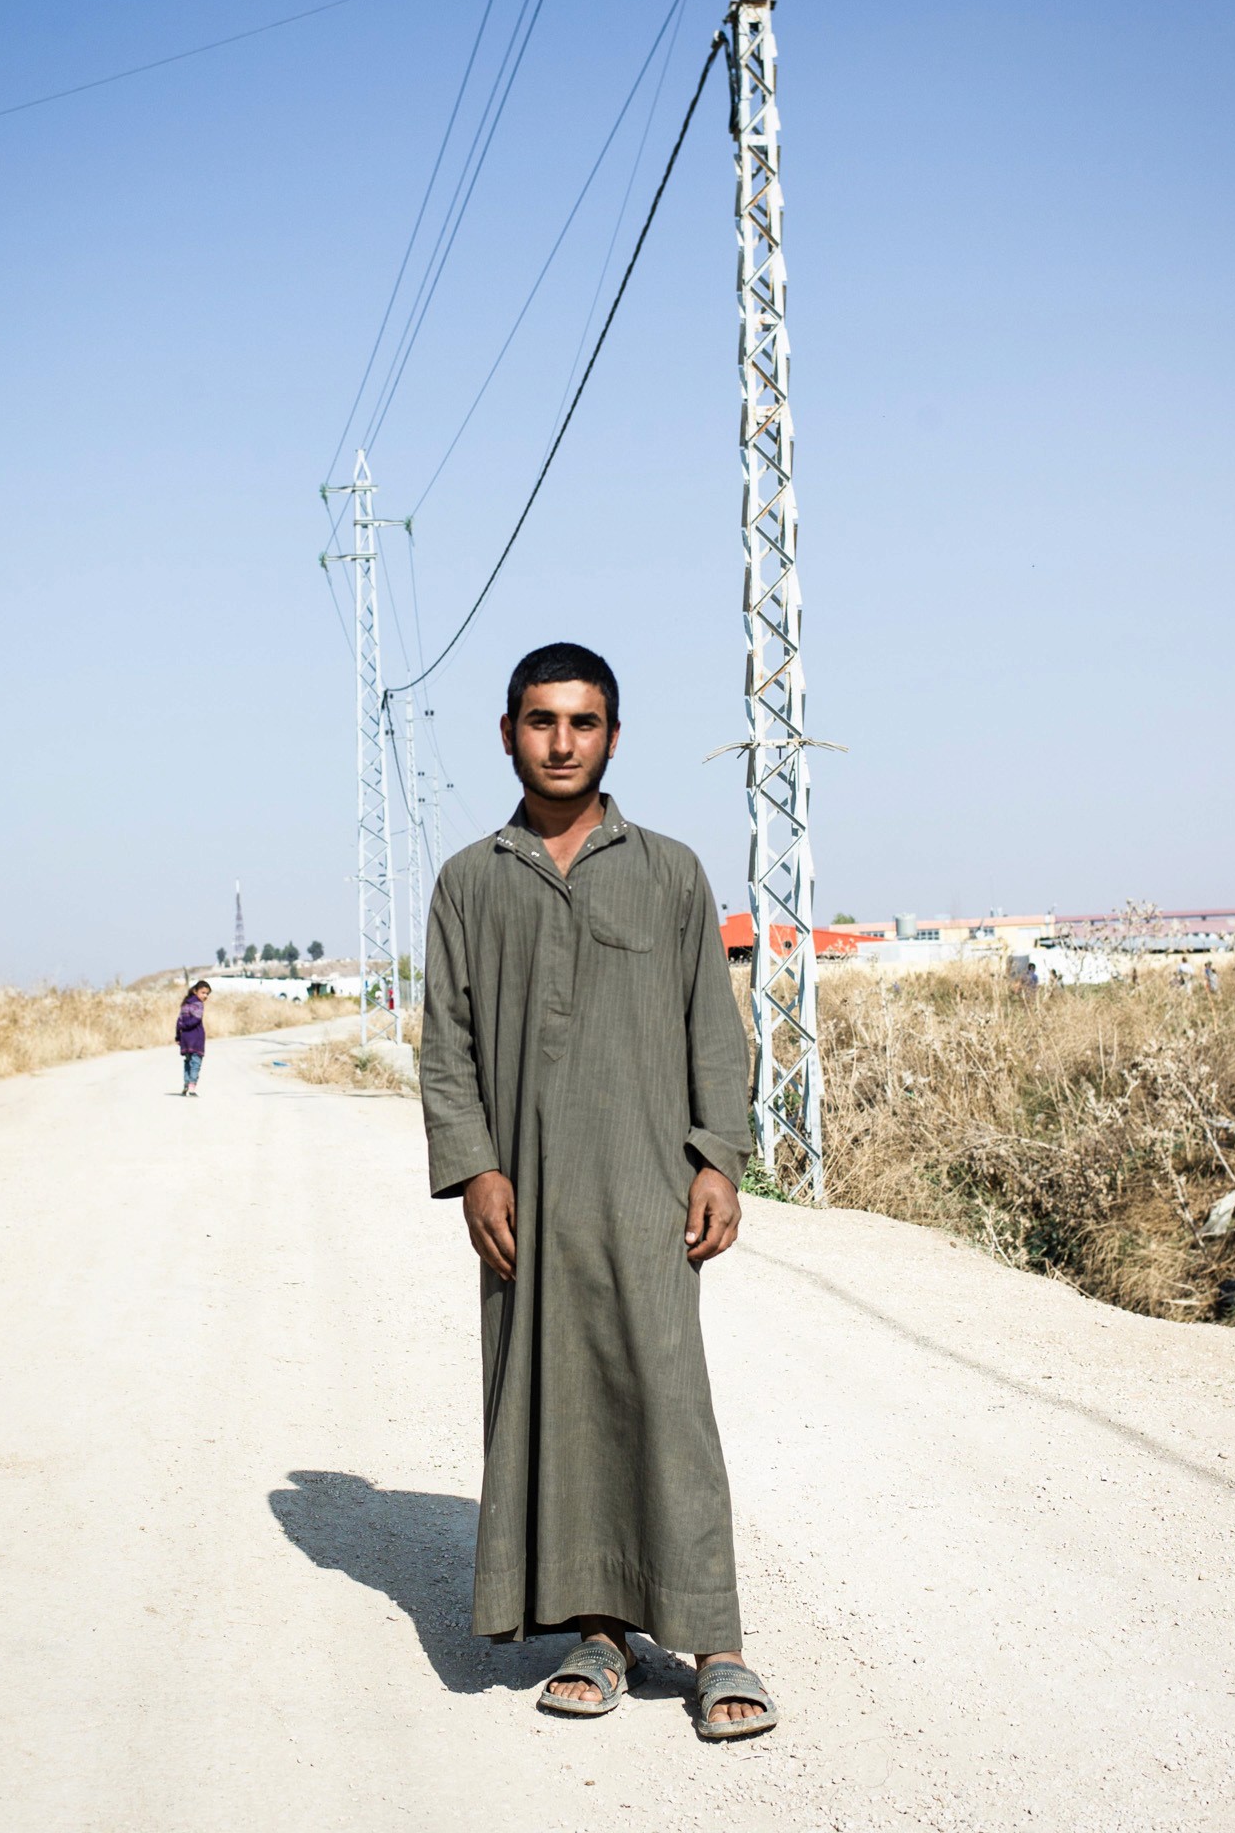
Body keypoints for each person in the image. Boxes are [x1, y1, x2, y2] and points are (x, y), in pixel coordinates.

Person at [420, 642, 778, 1743]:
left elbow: (713, 1027)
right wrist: (475, 1167)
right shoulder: (471, 880)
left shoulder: (669, 871)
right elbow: (448, 1043)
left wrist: (718, 1157)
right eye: (542, 720)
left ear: (614, 737)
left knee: (668, 1397)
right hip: (524, 1199)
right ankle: (599, 1631)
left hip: (646, 1186)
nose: (562, 741)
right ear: (508, 733)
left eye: (583, 722)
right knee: (552, 1402)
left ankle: (715, 1642)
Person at [175, 979, 210, 1096]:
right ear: (195, 991)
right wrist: (185, 1026)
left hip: (185, 1039)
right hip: (196, 1039)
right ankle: (191, 1087)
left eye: (207, 993)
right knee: (195, 1063)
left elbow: (179, 1021)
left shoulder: (185, 1004)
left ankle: (186, 1084)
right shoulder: (198, 1004)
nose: (205, 996)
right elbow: (196, 1020)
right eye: (203, 992)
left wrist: (178, 1036)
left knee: (188, 1062)